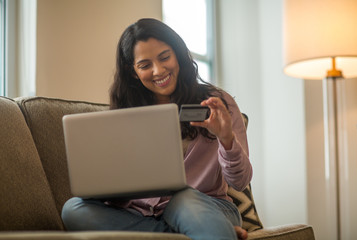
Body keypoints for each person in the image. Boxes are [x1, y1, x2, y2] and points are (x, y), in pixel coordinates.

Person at [61, 18, 252, 240]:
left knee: (184, 199)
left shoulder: (217, 103)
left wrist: (226, 139)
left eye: (164, 57)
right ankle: (204, 233)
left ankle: (206, 228)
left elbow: (240, 181)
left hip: (208, 206)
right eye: (145, 65)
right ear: (132, 71)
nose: (158, 70)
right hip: (142, 214)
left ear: (177, 54)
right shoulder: (126, 113)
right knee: (73, 209)